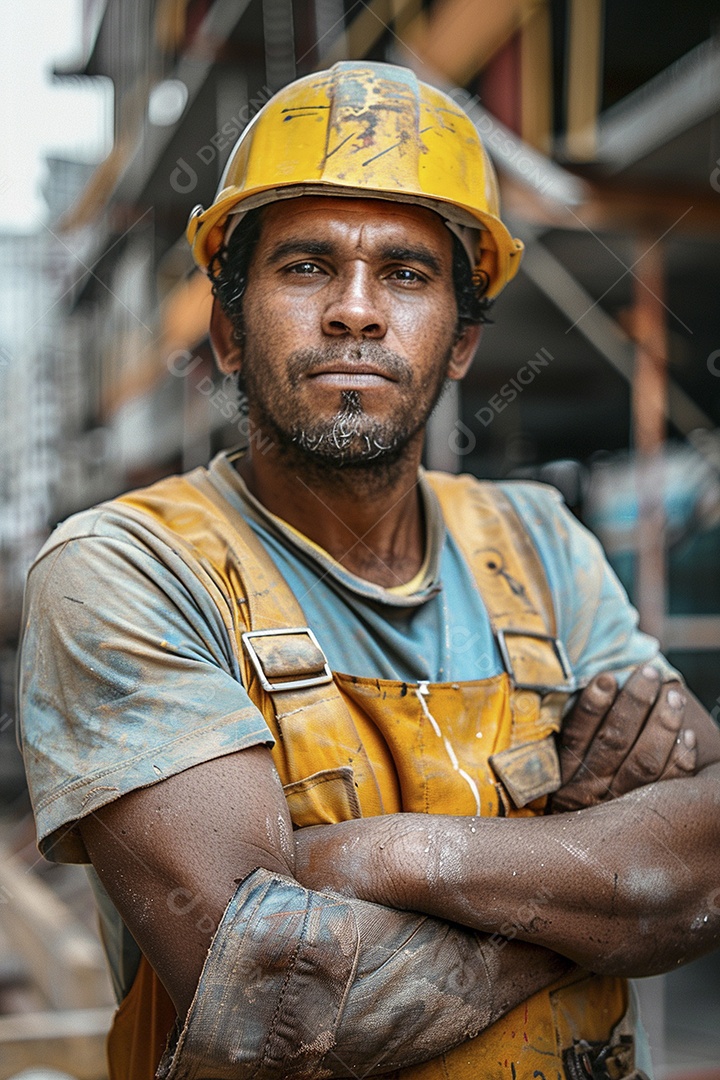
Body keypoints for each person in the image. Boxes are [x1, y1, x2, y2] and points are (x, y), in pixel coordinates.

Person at [18, 61, 720, 1080]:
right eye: (306, 267)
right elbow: (268, 1003)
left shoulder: (541, 541)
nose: (356, 311)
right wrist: (603, 889)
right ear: (225, 327)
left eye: (406, 272)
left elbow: (706, 857)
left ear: (465, 341)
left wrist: (395, 855)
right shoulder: (128, 570)